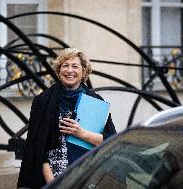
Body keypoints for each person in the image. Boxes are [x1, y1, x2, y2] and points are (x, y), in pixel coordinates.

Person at [17, 48, 116, 189]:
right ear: (59, 71)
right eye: (65, 65)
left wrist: (82, 134)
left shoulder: (96, 102)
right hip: (53, 178)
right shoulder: (43, 100)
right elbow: (36, 147)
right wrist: (52, 182)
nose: (69, 70)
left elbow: (111, 141)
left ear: (84, 72)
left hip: (88, 177)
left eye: (75, 66)